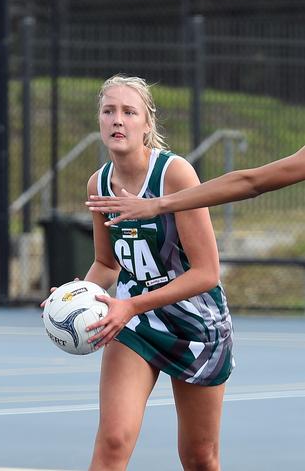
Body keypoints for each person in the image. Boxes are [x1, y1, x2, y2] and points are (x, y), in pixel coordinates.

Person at [80, 75, 234, 471]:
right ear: (99, 121)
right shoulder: (99, 183)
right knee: (112, 442)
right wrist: (73, 295)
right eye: (109, 111)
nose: (118, 120)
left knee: (199, 457)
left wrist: (130, 304)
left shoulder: (174, 174)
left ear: (147, 124)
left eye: (129, 112)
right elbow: (107, 264)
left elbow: (206, 273)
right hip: (135, 322)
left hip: (196, 324)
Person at [86, 140, 305, 226]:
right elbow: (250, 183)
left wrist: (157, 204)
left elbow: (251, 183)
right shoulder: (99, 181)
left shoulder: (173, 170)